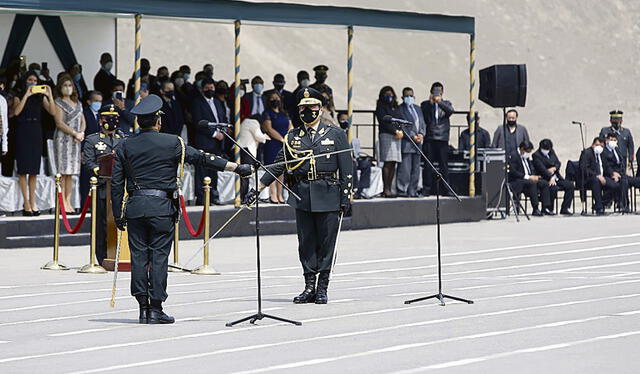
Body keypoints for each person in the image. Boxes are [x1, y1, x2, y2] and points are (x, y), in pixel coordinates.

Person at [111, 94, 252, 324]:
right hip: (161, 208)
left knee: (138, 257)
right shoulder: (173, 142)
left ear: (138, 122)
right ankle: (156, 308)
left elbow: (116, 183)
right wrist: (236, 167)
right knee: (158, 257)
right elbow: (202, 158)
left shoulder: (125, 145)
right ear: (158, 121)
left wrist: (118, 213)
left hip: (135, 207)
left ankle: (143, 308)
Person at [245, 87, 352, 305]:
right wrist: (258, 188)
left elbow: (347, 168)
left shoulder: (335, 134)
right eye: (303, 108)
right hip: (302, 194)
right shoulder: (293, 137)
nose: (307, 111)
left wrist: (346, 197)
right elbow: (277, 165)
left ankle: (323, 287)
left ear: (320, 109)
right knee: (306, 243)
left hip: (328, 193)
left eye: (312, 107)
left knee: (326, 243)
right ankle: (309, 286)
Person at [82, 104, 123, 265]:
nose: (112, 122)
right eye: (108, 119)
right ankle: (101, 257)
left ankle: (119, 254)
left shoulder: (124, 139)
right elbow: (89, 162)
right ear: (101, 121)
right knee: (101, 225)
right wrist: (101, 171)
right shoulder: (93, 139)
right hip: (102, 188)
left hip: (119, 187)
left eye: (115, 119)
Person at [12, 71, 56, 216]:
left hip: (36, 132)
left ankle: (33, 201)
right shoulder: (18, 96)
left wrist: (49, 95)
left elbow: (53, 112)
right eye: (30, 79)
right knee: (23, 170)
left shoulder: (40, 98)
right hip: (23, 131)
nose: (32, 82)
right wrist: (27, 94)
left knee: (34, 171)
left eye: (35, 80)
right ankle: (26, 203)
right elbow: (16, 112)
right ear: (25, 81)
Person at [191, 77, 227, 205]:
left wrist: (223, 131)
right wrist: (214, 134)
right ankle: (201, 198)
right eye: (207, 88)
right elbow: (198, 123)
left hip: (217, 143)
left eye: (212, 88)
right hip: (204, 141)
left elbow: (222, 117)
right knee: (202, 171)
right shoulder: (197, 102)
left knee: (214, 170)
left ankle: (213, 196)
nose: (210, 90)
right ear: (202, 89)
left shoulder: (217, 102)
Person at [54, 75, 86, 214]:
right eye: (65, 85)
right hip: (63, 139)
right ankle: (62, 202)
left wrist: (82, 132)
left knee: (71, 173)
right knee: (63, 172)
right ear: (60, 87)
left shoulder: (78, 103)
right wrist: (74, 133)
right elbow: (59, 122)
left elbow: (83, 120)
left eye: (70, 85)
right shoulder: (58, 102)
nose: (68, 88)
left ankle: (69, 201)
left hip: (75, 141)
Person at [420, 82, 454, 196]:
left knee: (444, 165)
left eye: (439, 91)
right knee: (428, 164)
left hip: (442, 138)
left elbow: (450, 111)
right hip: (430, 137)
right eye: (435, 91)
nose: (437, 93)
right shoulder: (425, 104)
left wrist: (439, 102)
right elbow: (424, 115)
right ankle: (427, 188)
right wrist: (431, 103)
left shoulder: (446, 103)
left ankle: (446, 188)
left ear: (442, 92)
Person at [508, 140, 554, 216]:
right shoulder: (513, 155)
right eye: (528, 152)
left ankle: (545, 208)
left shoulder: (525, 156)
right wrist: (528, 177)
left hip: (528, 178)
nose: (528, 154)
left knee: (544, 183)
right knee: (532, 183)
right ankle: (535, 208)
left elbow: (530, 168)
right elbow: (513, 172)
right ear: (522, 149)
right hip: (517, 180)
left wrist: (534, 176)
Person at [262, 91, 293, 203]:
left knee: (282, 170)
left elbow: (290, 126)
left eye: (277, 98)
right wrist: (281, 139)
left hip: (285, 144)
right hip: (273, 144)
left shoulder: (284, 113)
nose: (275, 100)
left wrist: (288, 138)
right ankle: (273, 194)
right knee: (272, 169)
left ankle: (280, 195)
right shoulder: (267, 113)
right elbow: (268, 128)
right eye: (272, 98)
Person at [532, 139, 574, 215]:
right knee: (552, 187)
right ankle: (548, 208)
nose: (547, 151)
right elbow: (541, 169)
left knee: (570, 185)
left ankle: (565, 208)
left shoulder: (551, 152)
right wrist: (550, 177)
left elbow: (558, 163)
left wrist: (554, 168)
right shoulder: (536, 155)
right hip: (545, 178)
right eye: (545, 149)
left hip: (556, 177)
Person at [579, 137, 620, 215]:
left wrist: (612, 173)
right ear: (593, 144)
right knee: (596, 181)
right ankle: (599, 207)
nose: (599, 147)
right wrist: (596, 175)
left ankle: (600, 203)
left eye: (601, 146)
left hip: (602, 177)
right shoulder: (586, 153)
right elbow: (584, 168)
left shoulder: (602, 154)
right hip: (589, 179)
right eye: (597, 145)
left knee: (616, 186)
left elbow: (606, 166)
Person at [397, 87, 425, 197]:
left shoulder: (418, 109)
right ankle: (402, 189)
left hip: (418, 143)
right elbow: (403, 125)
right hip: (407, 143)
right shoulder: (400, 109)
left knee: (416, 168)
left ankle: (412, 190)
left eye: (411, 96)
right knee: (405, 168)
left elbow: (422, 123)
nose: (409, 98)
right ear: (402, 97)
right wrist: (412, 136)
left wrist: (421, 134)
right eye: (407, 96)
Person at [602, 132, 640, 212]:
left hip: (621, 174)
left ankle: (624, 204)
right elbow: (605, 165)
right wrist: (612, 174)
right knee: (624, 182)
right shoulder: (604, 152)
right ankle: (623, 205)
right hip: (611, 175)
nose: (613, 141)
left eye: (614, 140)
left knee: (636, 180)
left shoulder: (617, 150)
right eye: (611, 139)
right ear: (607, 140)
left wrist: (624, 172)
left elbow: (622, 163)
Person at [337, 111, 371, 199]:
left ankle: (361, 189)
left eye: (346, 120)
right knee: (352, 165)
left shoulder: (351, 133)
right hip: (343, 159)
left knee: (366, 164)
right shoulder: (337, 133)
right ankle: (353, 189)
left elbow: (356, 149)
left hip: (354, 157)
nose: (345, 122)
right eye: (342, 120)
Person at [376, 86, 402, 198]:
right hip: (387, 134)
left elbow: (399, 118)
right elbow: (383, 121)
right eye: (387, 94)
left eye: (391, 94)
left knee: (393, 162)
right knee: (387, 162)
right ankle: (385, 189)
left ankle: (390, 188)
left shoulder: (395, 107)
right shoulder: (381, 106)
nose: (389, 96)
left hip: (397, 136)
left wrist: (400, 131)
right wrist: (395, 130)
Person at [237, 114, 270, 199]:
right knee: (246, 174)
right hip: (247, 150)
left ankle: (242, 196)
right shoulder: (253, 122)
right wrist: (265, 137)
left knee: (243, 174)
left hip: (241, 149)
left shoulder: (245, 121)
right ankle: (243, 197)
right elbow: (258, 136)